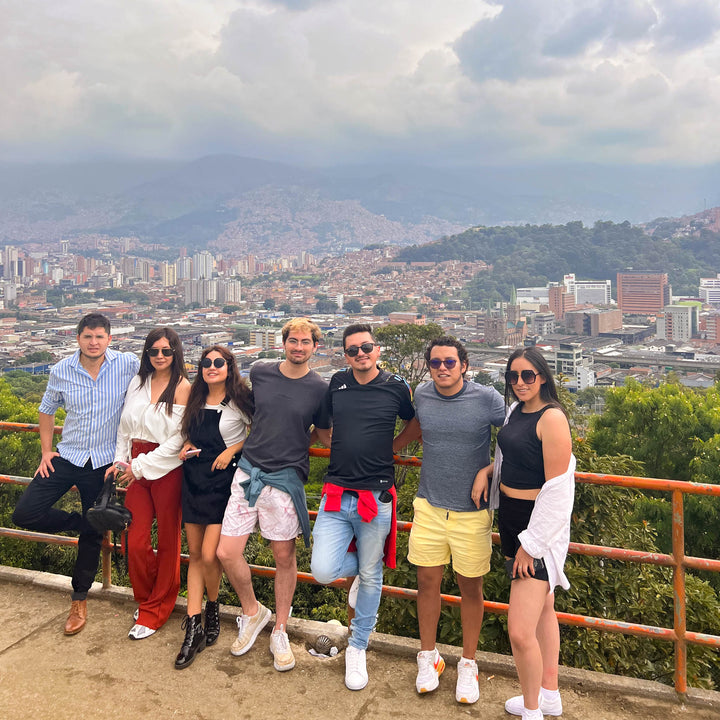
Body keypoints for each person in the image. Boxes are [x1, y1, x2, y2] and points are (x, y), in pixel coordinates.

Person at [393, 336, 505, 704]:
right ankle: (429, 656)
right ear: (429, 366)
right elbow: (414, 430)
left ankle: (468, 663)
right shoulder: (422, 395)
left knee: (470, 587)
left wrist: (488, 470)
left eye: (450, 362)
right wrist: (384, 449)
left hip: (471, 511)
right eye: (436, 362)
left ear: (464, 365)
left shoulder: (486, 398)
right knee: (427, 582)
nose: (443, 368)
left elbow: (518, 436)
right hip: (429, 504)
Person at [12, 313, 139, 635]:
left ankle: (79, 600)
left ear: (110, 338)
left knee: (92, 539)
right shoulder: (61, 370)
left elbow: (161, 380)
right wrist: (45, 450)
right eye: (88, 337)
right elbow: (46, 408)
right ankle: (79, 522)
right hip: (67, 456)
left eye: (99, 337)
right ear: (78, 338)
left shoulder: (126, 364)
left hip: (103, 463)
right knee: (26, 513)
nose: (93, 342)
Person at [216, 318, 330, 673]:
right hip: (248, 470)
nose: (299, 347)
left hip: (285, 478)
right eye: (293, 341)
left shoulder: (319, 388)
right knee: (226, 551)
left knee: (283, 555)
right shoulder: (262, 372)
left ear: (315, 347)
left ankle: (279, 627)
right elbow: (249, 412)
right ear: (283, 343)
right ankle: (253, 612)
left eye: (305, 342)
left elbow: (323, 433)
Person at [311, 323, 414, 691]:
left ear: (377, 349)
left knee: (370, 577)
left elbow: (414, 421)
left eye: (366, 347)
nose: (360, 354)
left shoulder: (396, 386)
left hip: (377, 494)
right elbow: (322, 426)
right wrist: (332, 442)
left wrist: (394, 445)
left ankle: (358, 645)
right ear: (345, 354)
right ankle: (369, 572)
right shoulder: (336, 383)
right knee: (323, 569)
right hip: (337, 493)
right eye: (353, 350)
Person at [477, 347, 575, 720]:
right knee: (543, 609)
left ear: (543, 377)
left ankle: (531, 709)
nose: (520, 382)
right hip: (512, 518)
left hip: (538, 528)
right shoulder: (517, 411)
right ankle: (549, 694)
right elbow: (511, 456)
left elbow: (558, 489)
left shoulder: (552, 418)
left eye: (528, 375)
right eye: (514, 376)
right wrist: (487, 471)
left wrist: (530, 546)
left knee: (519, 631)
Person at [174, 345, 253, 669]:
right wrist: (187, 444)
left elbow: (258, 432)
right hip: (193, 479)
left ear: (229, 366)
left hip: (223, 484)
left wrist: (233, 449)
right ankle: (193, 626)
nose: (211, 367)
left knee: (209, 554)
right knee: (194, 555)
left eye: (218, 362)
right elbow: (186, 433)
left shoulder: (240, 399)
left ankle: (213, 605)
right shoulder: (194, 397)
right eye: (206, 363)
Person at [111, 328, 191, 640]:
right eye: (154, 351)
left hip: (166, 468)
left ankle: (156, 610)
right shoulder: (138, 383)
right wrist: (120, 460)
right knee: (135, 539)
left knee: (169, 542)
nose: (159, 356)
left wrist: (138, 467)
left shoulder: (184, 388)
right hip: (134, 465)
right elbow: (124, 426)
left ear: (176, 354)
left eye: (166, 351)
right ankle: (148, 599)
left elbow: (177, 441)